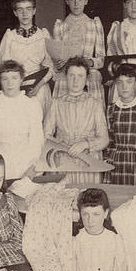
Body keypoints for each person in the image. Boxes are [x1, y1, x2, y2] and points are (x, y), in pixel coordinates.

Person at [43, 57, 110, 185]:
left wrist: (86, 144)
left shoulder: (95, 104)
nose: (75, 80)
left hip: (88, 161)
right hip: (62, 161)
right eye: (71, 75)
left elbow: (104, 139)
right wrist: (60, 145)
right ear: (66, 77)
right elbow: (46, 135)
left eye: (80, 76)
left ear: (86, 79)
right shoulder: (56, 103)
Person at [0, 60, 44, 180]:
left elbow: (37, 139)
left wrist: (32, 166)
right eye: (5, 79)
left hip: (26, 166)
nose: (10, 83)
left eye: (14, 78)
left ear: (21, 79)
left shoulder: (31, 104)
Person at [0, 0, 54, 116]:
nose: (25, 14)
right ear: (15, 12)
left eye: (28, 9)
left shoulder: (43, 35)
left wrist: (39, 86)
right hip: (15, 89)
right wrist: (17, 87)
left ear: (34, 11)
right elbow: (4, 68)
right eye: (20, 10)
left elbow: (50, 66)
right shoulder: (9, 36)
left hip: (39, 89)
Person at [51, 0, 105, 104]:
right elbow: (57, 62)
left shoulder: (94, 24)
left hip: (89, 78)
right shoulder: (60, 26)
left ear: (86, 1)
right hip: (67, 78)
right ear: (66, 1)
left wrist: (89, 62)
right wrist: (59, 62)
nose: (76, 4)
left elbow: (101, 59)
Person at [104, 63, 136, 186]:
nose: (124, 86)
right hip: (115, 163)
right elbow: (109, 140)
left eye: (129, 82)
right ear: (116, 84)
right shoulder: (111, 109)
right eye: (120, 82)